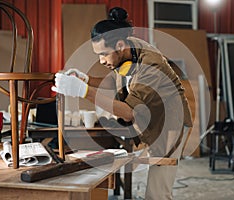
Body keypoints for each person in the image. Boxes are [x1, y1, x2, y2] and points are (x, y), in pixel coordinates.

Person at [52, 7, 192, 200]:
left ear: (119, 45)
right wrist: (85, 79)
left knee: (158, 192)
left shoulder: (150, 66)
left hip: (170, 124)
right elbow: (114, 81)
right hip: (154, 118)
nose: (101, 60)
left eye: (103, 54)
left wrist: (83, 91)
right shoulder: (128, 48)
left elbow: (129, 112)